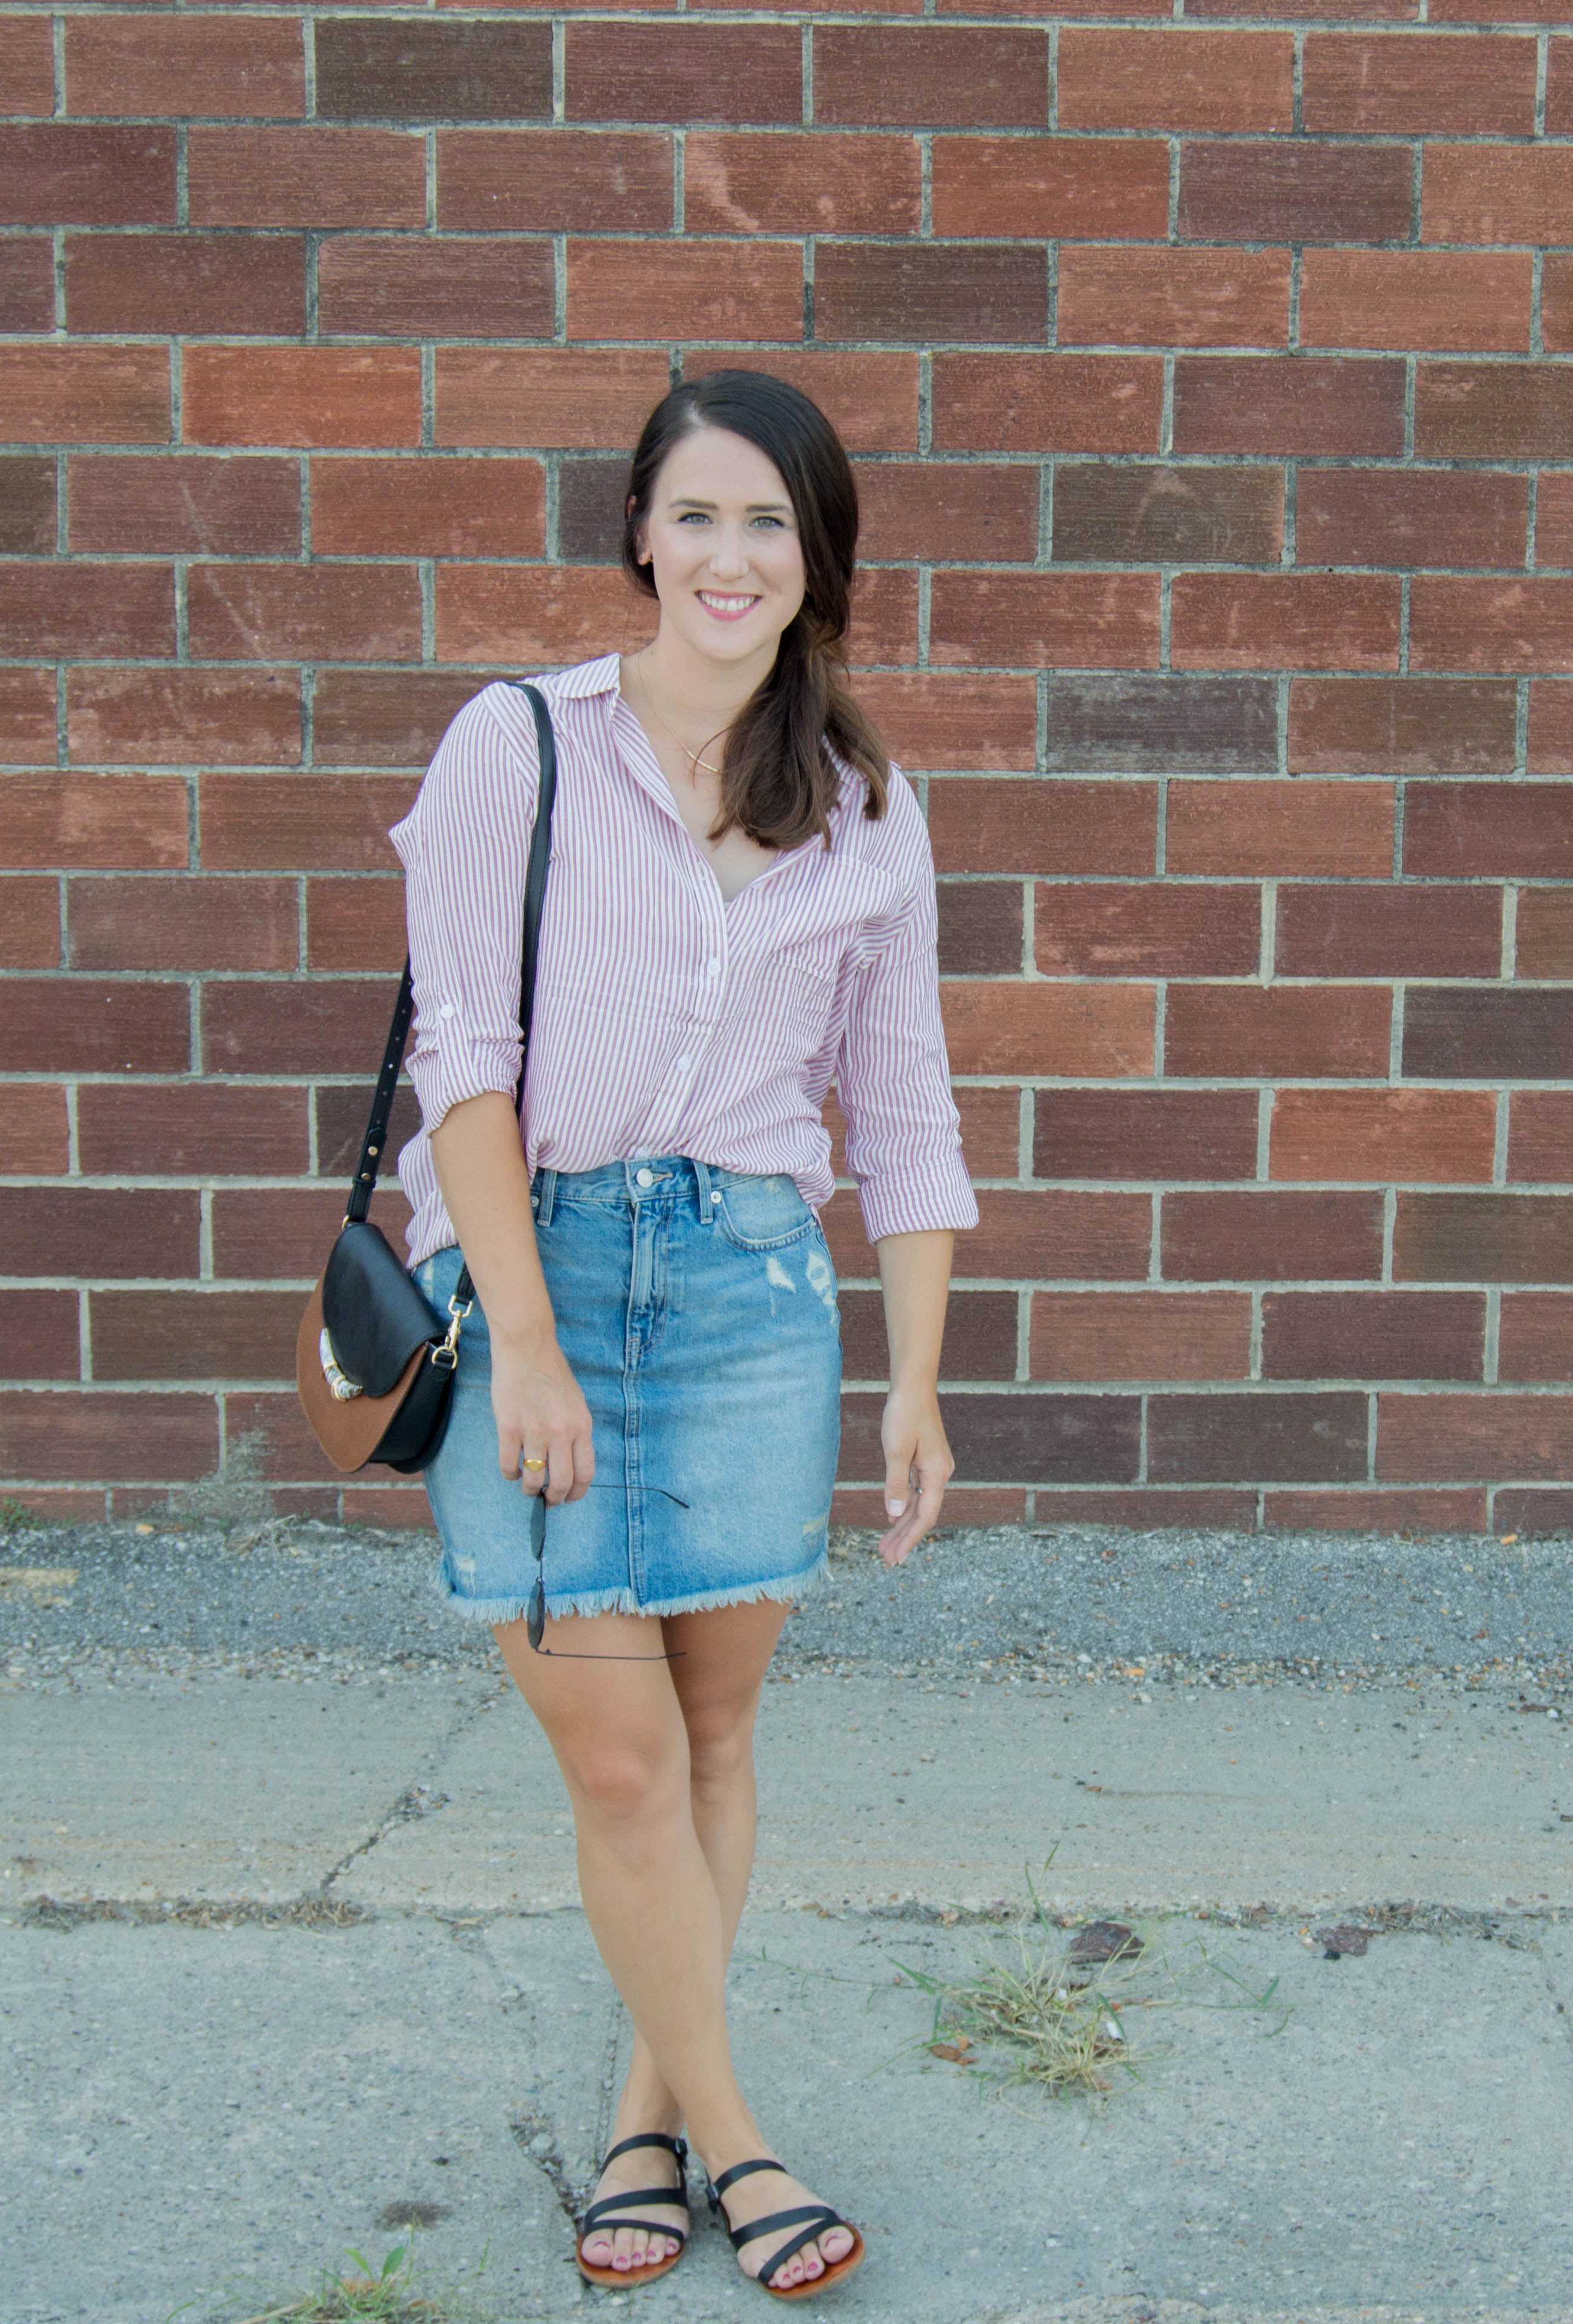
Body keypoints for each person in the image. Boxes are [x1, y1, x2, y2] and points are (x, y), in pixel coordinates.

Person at [385, 369, 974, 2300]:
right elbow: (466, 1058)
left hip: (752, 1295)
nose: (732, 558)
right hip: (534, 1271)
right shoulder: (522, 748)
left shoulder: (867, 810)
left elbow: (905, 1117)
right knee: (619, 1761)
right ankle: (743, 2141)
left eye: (772, 526)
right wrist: (527, 1341)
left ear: (820, 565)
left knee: (715, 1733)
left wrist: (916, 1384)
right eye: (700, 516)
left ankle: (649, 2104)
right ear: (640, 531)